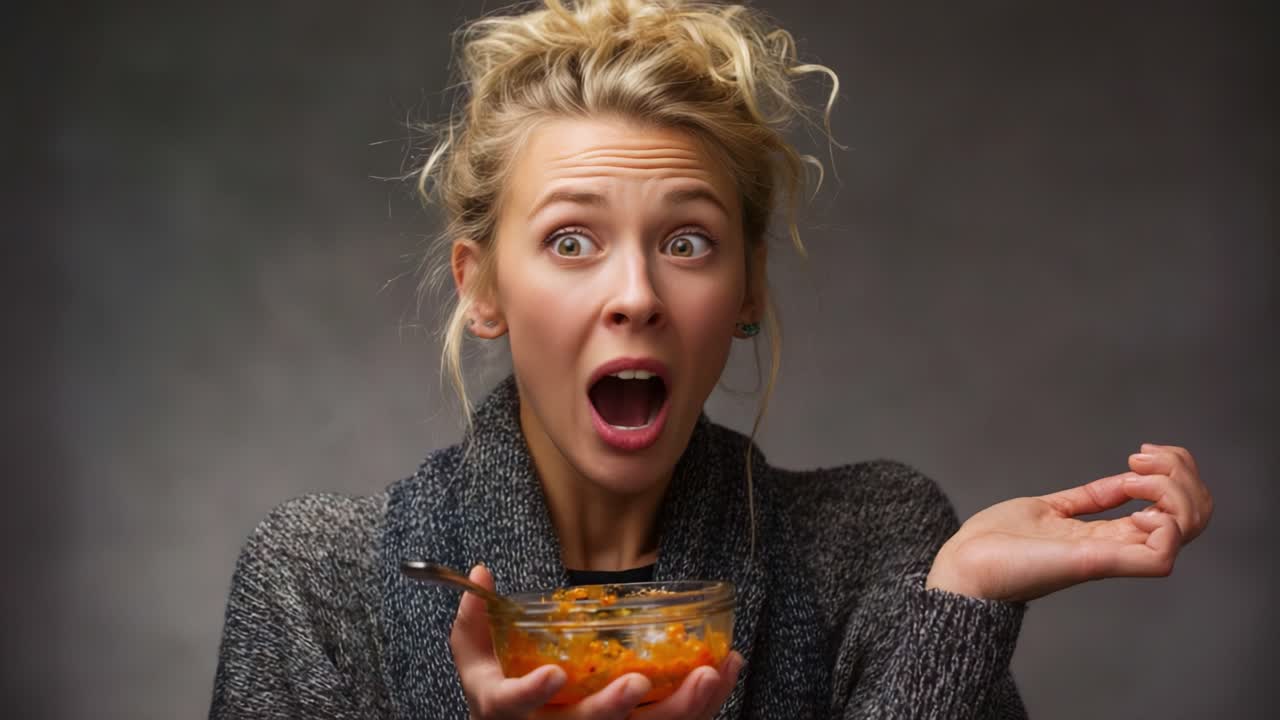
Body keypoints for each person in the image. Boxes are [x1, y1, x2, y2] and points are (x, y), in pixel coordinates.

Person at [209, 1, 1214, 718]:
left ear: (747, 289)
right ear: (482, 290)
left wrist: (955, 608)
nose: (637, 294)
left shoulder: (878, 551)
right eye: (571, 240)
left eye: (686, 241)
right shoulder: (319, 583)